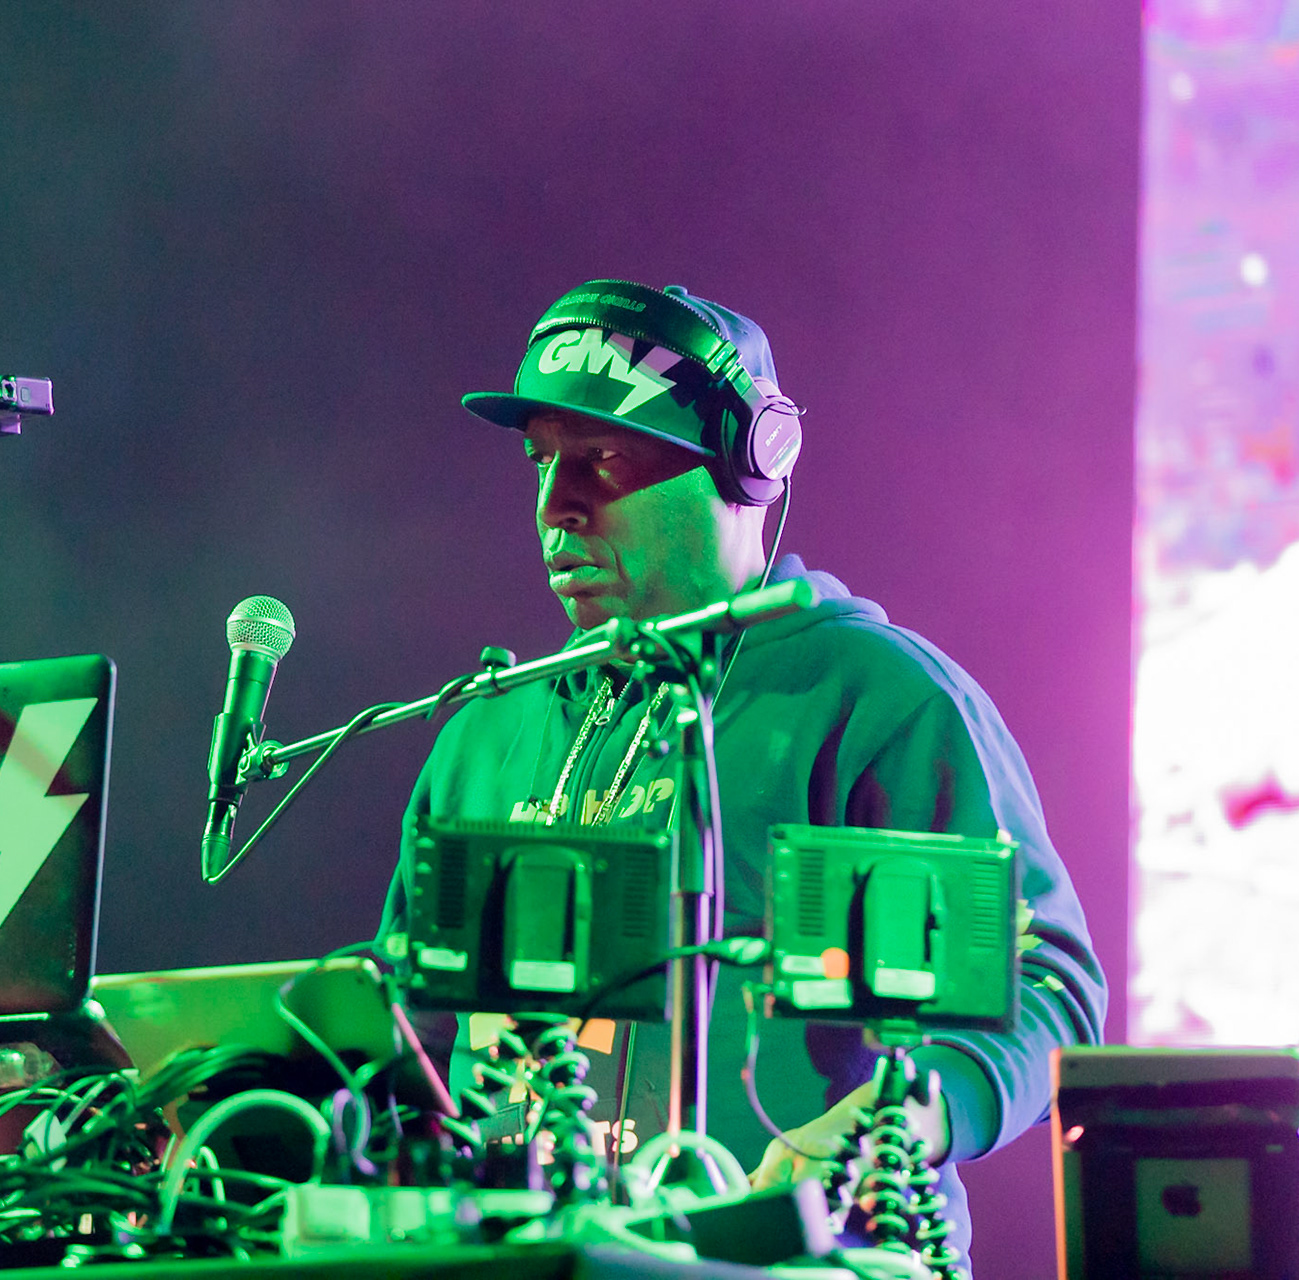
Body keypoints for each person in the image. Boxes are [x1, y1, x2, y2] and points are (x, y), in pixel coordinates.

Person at [380, 279, 1106, 1263]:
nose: (558, 508)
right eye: (542, 462)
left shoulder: (871, 695)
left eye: (601, 459)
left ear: (748, 465)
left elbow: (1047, 978)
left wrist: (903, 1121)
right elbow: (398, 1021)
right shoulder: (487, 728)